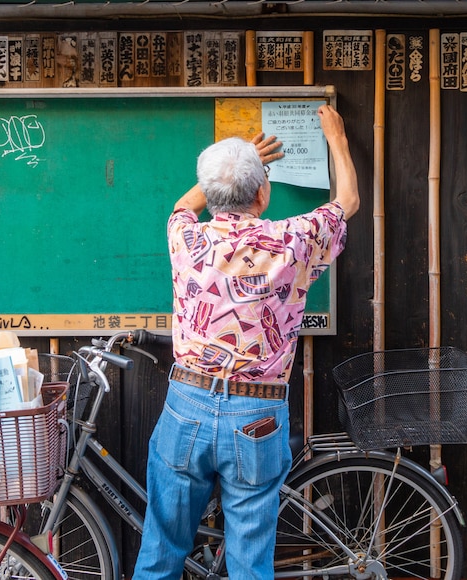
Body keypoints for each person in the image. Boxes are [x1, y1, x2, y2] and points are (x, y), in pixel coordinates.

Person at [133, 104, 360, 579]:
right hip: (257, 416)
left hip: (187, 405)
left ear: (215, 194)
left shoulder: (185, 240)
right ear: (263, 193)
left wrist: (237, 163)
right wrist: (336, 138)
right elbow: (348, 203)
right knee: (250, 562)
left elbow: (182, 205)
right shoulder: (292, 241)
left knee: (161, 551)